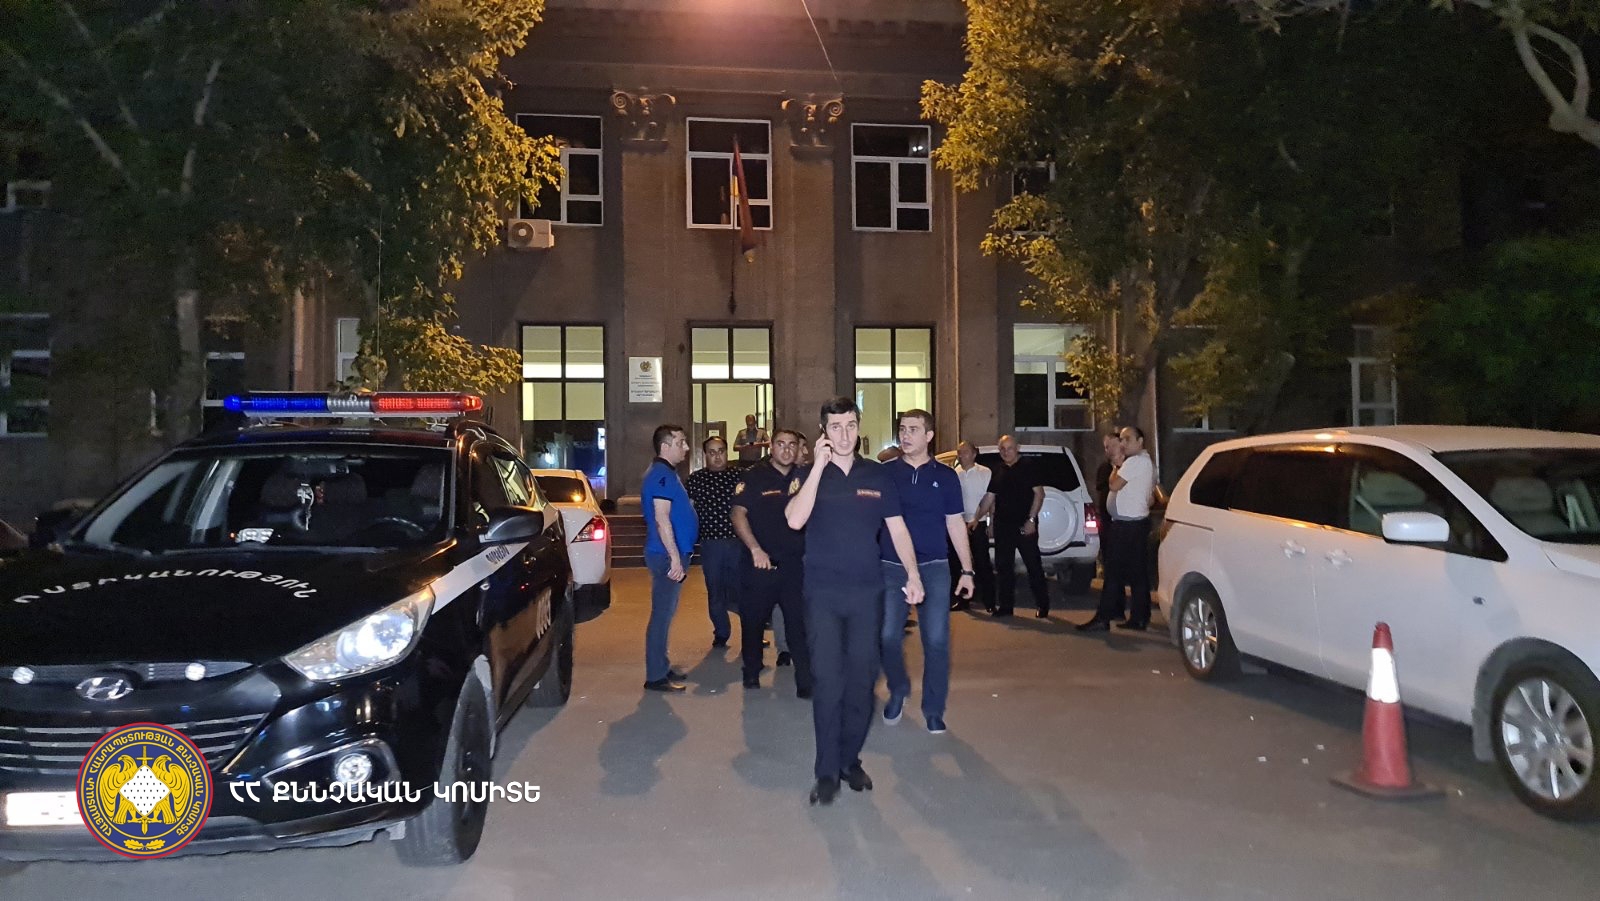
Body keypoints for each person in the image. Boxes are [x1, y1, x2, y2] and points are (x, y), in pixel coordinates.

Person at [786, 396, 925, 806]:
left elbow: (897, 529)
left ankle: (849, 760)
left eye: (850, 425)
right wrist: (817, 467)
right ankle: (826, 771)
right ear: (823, 432)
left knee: (862, 684)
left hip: (867, 593)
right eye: (835, 427)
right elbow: (794, 520)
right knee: (828, 682)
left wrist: (914, 574)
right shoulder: (808, 474)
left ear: (858, 427)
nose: (844, 434)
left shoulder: (877, 475)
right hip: (823, 595)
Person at [879, 410, 974, 735]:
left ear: (929, 436)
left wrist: (968, 570)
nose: (905, 435)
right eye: (902, 429)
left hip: (934, 567)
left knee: (935, 640)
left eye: (913, 429)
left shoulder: (945, 477)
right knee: (887, 636)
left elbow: (955, 523)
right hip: (891, 566)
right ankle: (898, 688)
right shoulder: (886, 473)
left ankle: (933, 709)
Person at [730, 429, 812, 696]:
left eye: (792, 445)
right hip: (760, 566)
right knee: (753, 623)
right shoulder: (754, 476)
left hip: (794, 566)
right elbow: (738, 514)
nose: (786, 450)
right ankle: (751, 672)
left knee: (798, 625)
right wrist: (755, 549)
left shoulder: (806, 476)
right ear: (771, 447)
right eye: (780, 444)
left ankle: (805, 682)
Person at [1079, 426, 1156, 632]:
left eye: (1127, 439)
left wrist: (1116, 466)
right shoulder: (1144, 462)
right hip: (1133, 524)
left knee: (1113, 572)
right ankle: (1139, 617)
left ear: (1140, 441)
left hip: (1127, 526)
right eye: (1121, 439)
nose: (1123, 444)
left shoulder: (1135, 462)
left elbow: (1113, 485)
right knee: (1137, 573)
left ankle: (1104, 616)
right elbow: (1149, 497)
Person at [641, 424, 698, 691]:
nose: (686, 447)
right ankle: (655, 676)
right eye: (680, 442)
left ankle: (661, 666)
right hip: (665, 556)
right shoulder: (661, 476)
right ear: (665, 446)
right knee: (662, 616)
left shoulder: (666, 474)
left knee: (665, 613)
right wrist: (675, 558)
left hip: (669, 554)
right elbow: (662, 519)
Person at [982, 435, 1051, 618]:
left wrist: (1031, 520)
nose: (1006, 452)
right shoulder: (998, 469)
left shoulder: (1029, 466)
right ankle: (1006, 607)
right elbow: (991, 498)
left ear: (1017, 448)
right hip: (1003, 526)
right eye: (1002, 449)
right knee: (1003, 568)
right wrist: (987, 521)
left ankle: (1043, 604)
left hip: (1024, 525)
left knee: (1033, 566)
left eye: (1009, 448)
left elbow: (1039, 494)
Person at [686, 436, 745, 648]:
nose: (717, 456)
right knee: (715, 589)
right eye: (712, 452)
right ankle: (721, 632)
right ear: (705, 455)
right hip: (711, 544)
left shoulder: (740, 476)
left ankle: (751, 632)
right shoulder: (696, 480)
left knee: (743, 590)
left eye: (721, 451)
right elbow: (688, 511)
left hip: (738, 542)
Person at [950, 440, 996, 613]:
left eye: (965, 452)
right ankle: (962, 600)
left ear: (974, 454)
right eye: (959, 452)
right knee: (958, 563)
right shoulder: (955, 473)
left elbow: (990, 499)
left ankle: (989, 601)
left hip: (979, 522)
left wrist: (988, 521)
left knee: (982, 562)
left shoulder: (985, 472)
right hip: (959, 524)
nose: (961, 456)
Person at [1091, 430, 1125, 609]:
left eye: (1112, 445)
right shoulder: (1104, 468)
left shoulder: (1129, 467)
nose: (1109, 450)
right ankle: (1114, 607)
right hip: (1107, 523)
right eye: (1106, 447)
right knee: (1110, 566)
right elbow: (1102, 490)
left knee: (1123, 566)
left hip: (1124, 523)